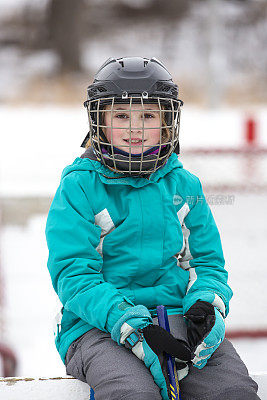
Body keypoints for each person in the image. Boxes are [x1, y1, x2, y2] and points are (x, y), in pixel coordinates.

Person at [45, 56, 260, 400]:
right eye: (121, 116)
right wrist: (127, 323)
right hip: (100, 328)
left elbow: (207, 264)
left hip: (179, 319)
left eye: (147, 115)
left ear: (167, 123)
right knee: (133, 393)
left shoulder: (185, 185)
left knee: (233, 390)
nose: (135, 128)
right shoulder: (79, 187)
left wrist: (207, 304)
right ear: (98, 122)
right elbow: (74, 275)